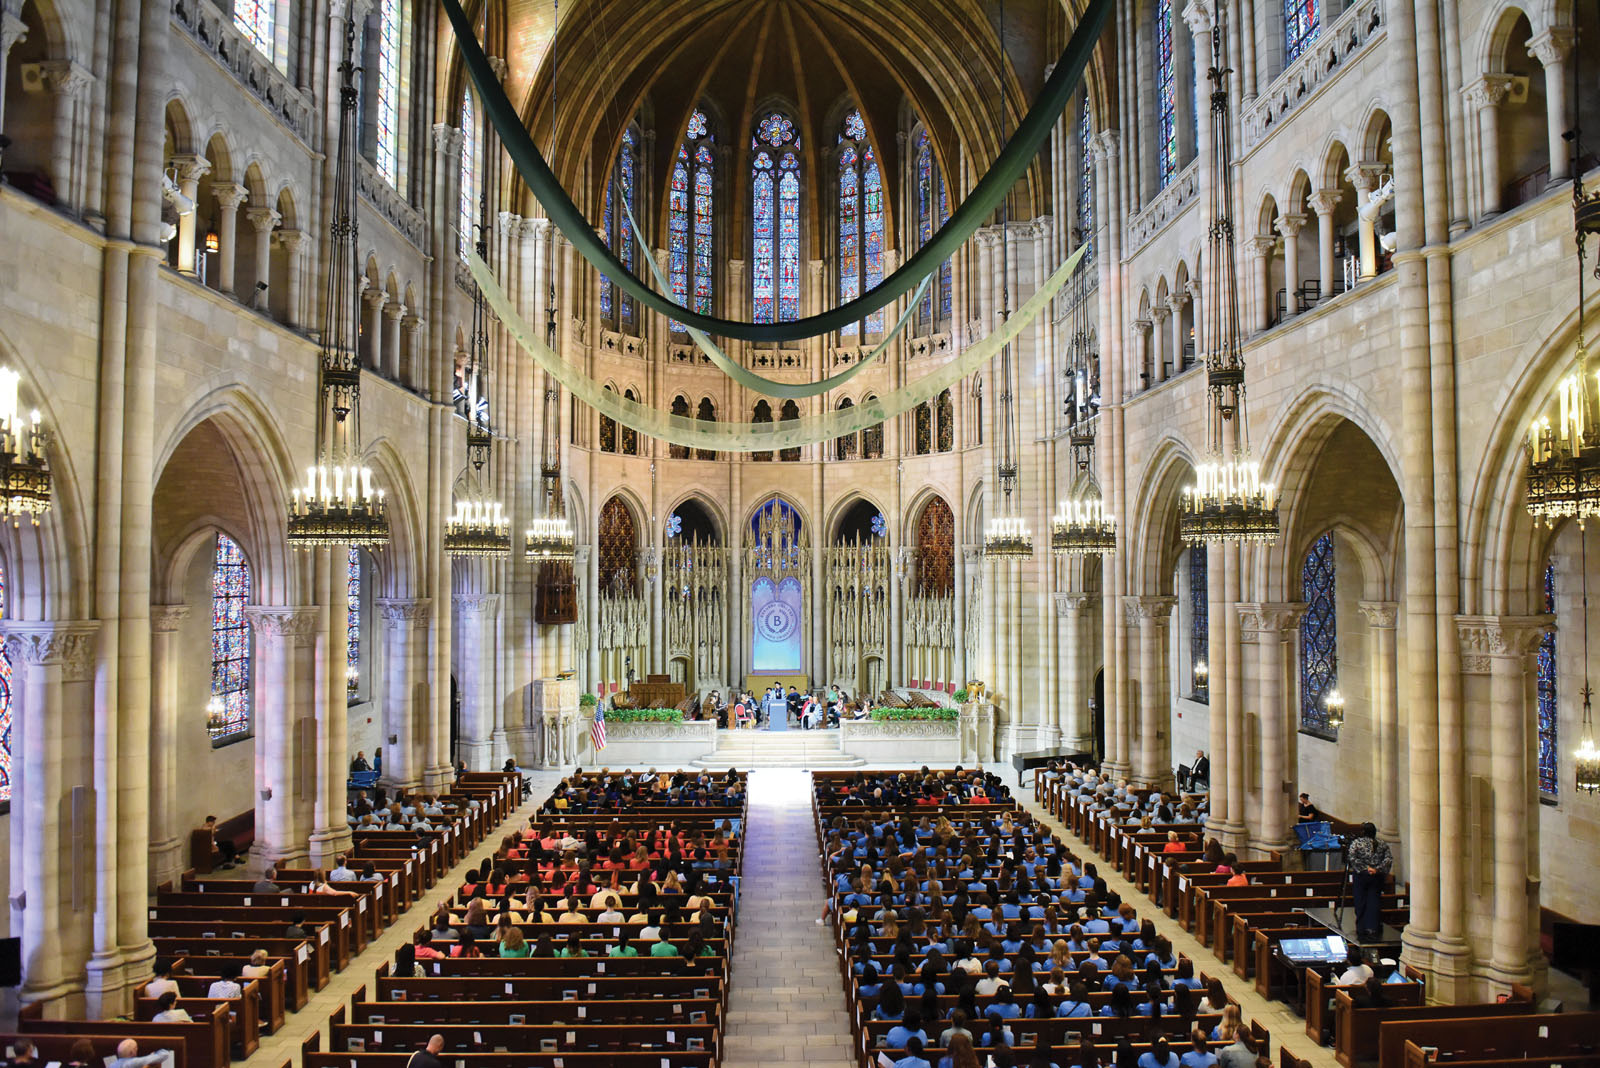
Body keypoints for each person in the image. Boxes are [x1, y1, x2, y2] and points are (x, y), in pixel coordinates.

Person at [1346, 822, 1393, 940]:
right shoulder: (1382, 844)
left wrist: (1366, 868)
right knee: (1374, 901)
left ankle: (1361, 928)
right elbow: (1388, 859)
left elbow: (1352, 857)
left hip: (1362, 875)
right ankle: (1372, 928)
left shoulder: (1357, 843)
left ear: (1363, 832)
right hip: (1376, 877)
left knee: (1360, 900)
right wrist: (1377, 869)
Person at [107, 1040, 176, 1068]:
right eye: (136, 1048)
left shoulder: (112, 1065)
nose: (137, 1050)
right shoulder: (134, 1062)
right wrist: (152, 1055)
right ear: (132, 1052)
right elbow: (164, 1055)